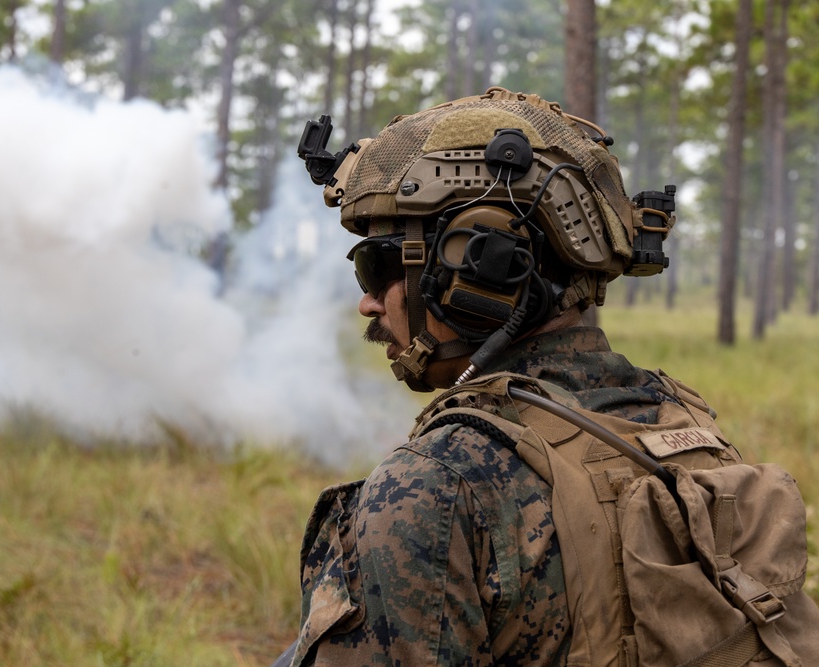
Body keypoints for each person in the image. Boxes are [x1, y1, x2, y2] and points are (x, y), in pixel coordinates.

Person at [283, 87, 817, 667]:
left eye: (376, 266)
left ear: (473, 269)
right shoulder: (684, 427)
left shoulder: (433, 486)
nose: (367, 304)